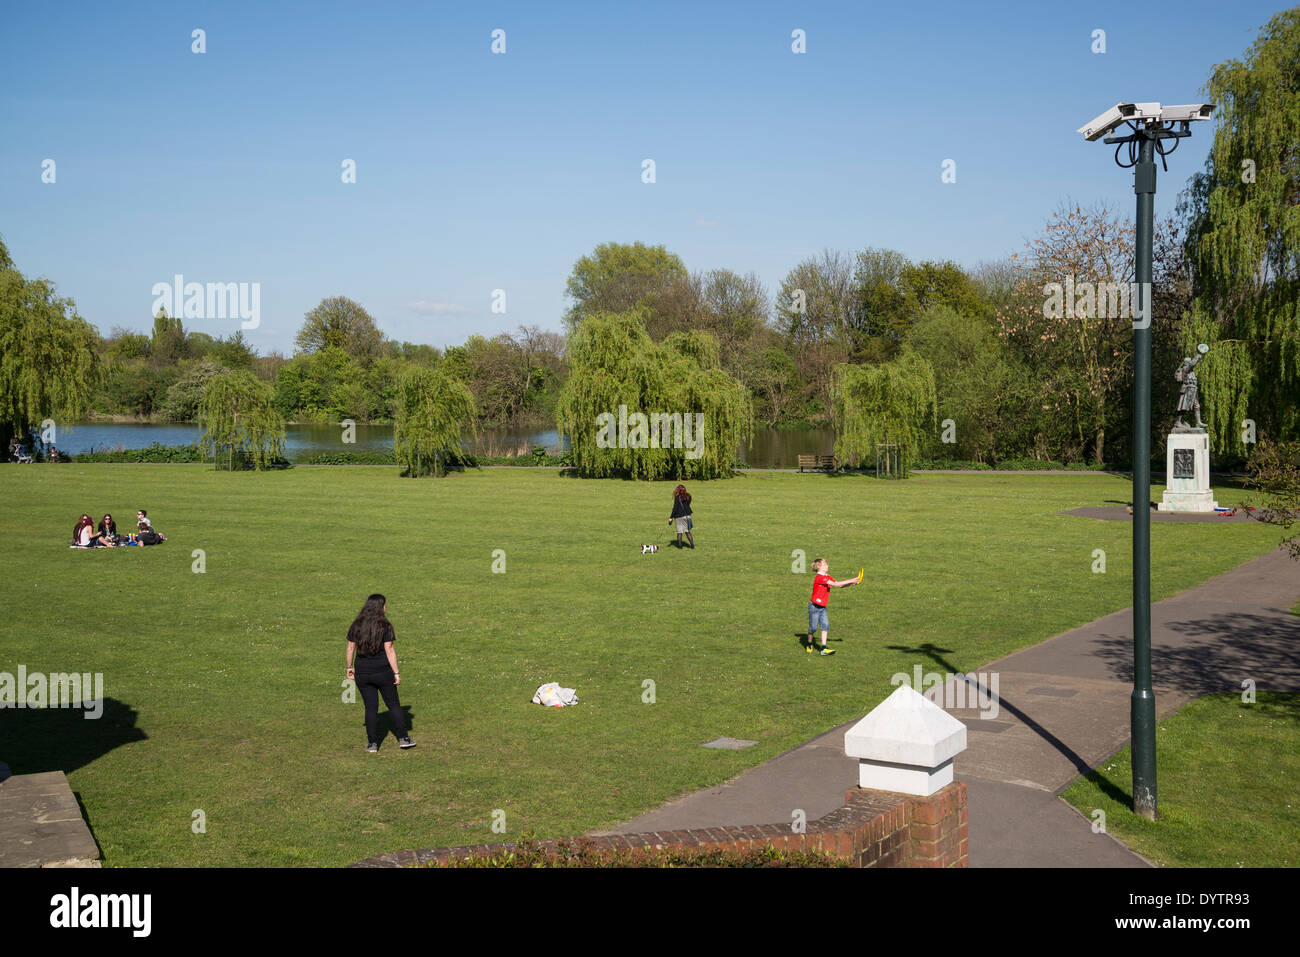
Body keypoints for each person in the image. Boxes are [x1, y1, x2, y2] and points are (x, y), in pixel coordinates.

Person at [345, 594, 415, 752]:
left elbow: (350, 648)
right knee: (393, 705)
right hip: (383, 671)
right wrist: (396, 672)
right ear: (380, 607)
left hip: (362, 672)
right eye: (384, 605)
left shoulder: (357, 624)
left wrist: (349, 668)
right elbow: (389, 649)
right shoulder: (385, 625)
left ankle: (372, 743)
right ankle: (403, 738)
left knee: (370, 708)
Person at [805, 558, 859, 656]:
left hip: (822, 607)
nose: (827, 566)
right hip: (814, 607)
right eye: (825, 564)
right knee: (813, 628)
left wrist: (851, 584)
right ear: (819, 567)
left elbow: (840, 585)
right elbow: (836, 584)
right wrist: (852, 579)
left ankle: (823, 649)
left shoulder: (827, 576)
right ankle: (809, 643)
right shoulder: (820, 577)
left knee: (825, 626)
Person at [668, 484, 694, 549]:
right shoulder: (688, 496)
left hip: (679, 517)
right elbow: (688, 505)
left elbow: (675, 508)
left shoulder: (677, 497)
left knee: (679, 532)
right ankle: (692, 545)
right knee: (687, 532)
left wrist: (671, 517)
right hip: (687, 516)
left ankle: (680, 547)